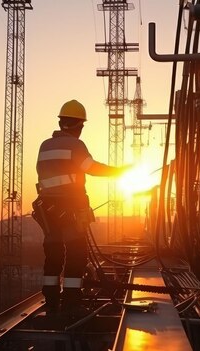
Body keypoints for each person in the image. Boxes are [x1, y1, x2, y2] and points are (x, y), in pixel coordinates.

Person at [32, 99, 126, 315]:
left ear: (61, 122)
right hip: (70, 207)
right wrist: (120, 172)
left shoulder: (45, 145)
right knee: (77, 252)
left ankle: (52, 300)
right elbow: (91, 168)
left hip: (47, 209)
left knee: (53, 253)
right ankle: (72, 302)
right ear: (78, 125)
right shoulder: (75, 145)